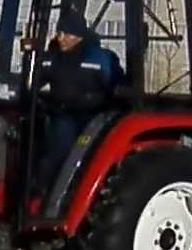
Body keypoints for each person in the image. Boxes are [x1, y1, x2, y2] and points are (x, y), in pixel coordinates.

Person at [33, 11, 124, 204]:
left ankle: (58, 197)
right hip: (60, 113)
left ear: (79, 35)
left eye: (66, 33)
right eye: (59, 32)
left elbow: (119, 87)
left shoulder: (100, 59)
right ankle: (40, 193)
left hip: (92, 118)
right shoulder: (52, 58)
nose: (61, 38)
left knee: (64, 147)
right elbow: (34, 82)